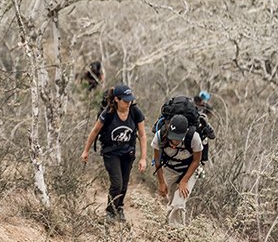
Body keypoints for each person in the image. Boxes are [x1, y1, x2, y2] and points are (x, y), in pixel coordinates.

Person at [81, 84, 148, 221]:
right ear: (117, 99)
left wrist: (143, 158)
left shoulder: (135, 112)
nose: (128, 103)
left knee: (124, 183)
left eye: (130, 100)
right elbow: (95, 131)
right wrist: (86, 150)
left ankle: (119, 208)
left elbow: (142, 135)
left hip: (128, 153)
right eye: (125, 100)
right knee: (117, 183)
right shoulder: (108, 113)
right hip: (111, 153)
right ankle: (110, 212)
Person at [152, 114, 202, 225]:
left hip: (189, 170)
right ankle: (168, 226)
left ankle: (176, 233)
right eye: (173, 136)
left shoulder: (194, 138)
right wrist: (161, 182)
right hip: (170, 169)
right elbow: (157, 160)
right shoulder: (160, 136)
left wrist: (184, 181)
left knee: (179, 202)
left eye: (178, 138)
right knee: (172, 201)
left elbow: (196, 161)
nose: (175, 140)